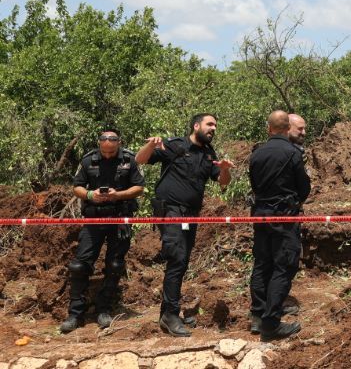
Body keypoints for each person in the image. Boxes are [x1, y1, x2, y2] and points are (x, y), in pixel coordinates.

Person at [136, 113, 233, 337]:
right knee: (177, 258)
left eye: (215, 126)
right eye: (210, 125)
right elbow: (141, 160)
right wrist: (150, 144)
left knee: (181, 261)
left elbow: (223, 184)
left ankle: (166, 314)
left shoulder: (209, 153)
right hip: (170, 210)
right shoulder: (175, 144)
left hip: (192, 215)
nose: (213, 129)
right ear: (196, 126)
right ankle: (170, 315)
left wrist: (226, 169)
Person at [60, 129, 145, 333]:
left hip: (120, 218)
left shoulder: (130, 159)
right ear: (99, 144)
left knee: (115, 265)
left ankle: (104, 309)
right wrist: (90, 194)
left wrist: (119, 195)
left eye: (111, 151)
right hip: (94, 217)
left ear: (118, 143)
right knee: (80, 265)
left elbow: (139, 187)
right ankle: (75, 314)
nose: (107, 155)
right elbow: (77, 187)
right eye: (104, 151)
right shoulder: (88, 160)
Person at [248, 111, 310, 342]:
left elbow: (254, 184)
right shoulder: (293, 153)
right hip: (284, 217)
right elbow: (303, 188)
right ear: (286, 129)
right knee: (283, 266)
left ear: (269, 129)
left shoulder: (257, 153)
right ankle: (271, 324)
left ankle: (257, 315)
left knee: (262, 264)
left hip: (260, 214)